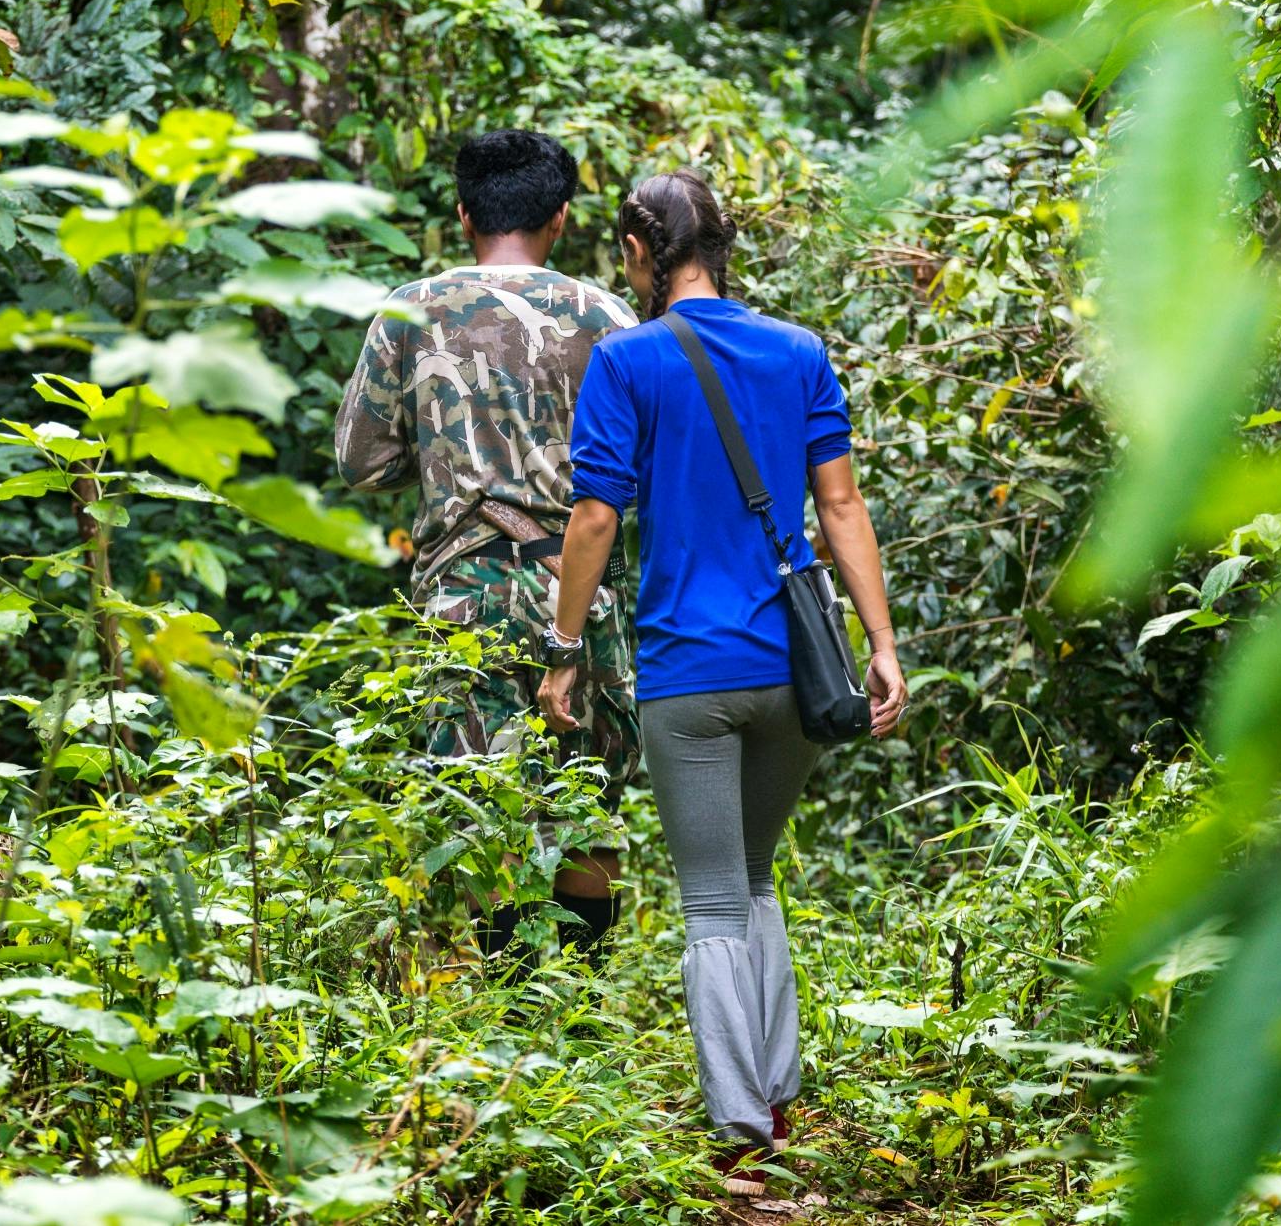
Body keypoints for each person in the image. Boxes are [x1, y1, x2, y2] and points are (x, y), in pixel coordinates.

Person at [535, 168, 906, 1197]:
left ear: (640, 253)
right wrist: (879, 642)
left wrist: (563, 649)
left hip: (685, 677)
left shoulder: (626, 361)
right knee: (751, 880)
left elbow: (596, 518)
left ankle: (741, 1131)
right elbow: (838, 508)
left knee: (708, 902)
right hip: (793, 670)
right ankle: (775, 1094)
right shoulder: (796, 352)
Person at [334, 129, 641, 968]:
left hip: (463, 592)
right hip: (581, 587)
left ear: (463, 212)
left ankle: (511, 1014)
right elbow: (642, 469)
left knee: (480, 808)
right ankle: (576, 1016)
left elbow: (359, 462)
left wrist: (442, 455)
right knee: (587, 809)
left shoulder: (413, 308)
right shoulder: (610, 317)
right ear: (562, 217)